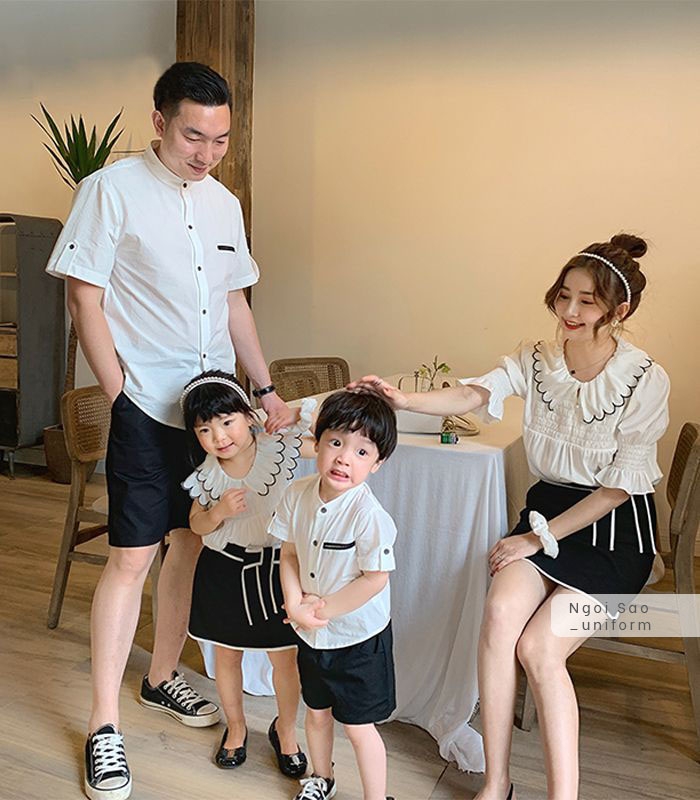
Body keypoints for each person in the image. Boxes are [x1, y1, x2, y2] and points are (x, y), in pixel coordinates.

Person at [45, 62, 294, 800]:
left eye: (220, 139)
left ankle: (159, 678)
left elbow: (235, 305)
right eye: (193, 136)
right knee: (130, 558)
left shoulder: (225, 204)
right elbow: (84, 298)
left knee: (189, 545)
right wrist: (119, 393)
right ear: (159, 122)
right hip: (146, 408)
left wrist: (265, 389)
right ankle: (103, 726)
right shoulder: (109, 190)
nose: (207, 153)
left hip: (212, 415)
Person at [351, 234, 670, 800]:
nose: (570, 311)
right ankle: (496, 782)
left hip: (613, 535)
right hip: (546, 515)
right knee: (499, 617)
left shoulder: (645, 380)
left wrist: (534, 540)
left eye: (587, 301)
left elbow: (618, 490)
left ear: (618, 311)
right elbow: (474, 394)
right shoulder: (537, 359)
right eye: (564, 295)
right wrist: (404, 400)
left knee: (539, 649)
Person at [180, 370, 313, 776]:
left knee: (285, 659)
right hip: (224, 571)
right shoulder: (206, 474)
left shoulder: (279, 448)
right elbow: (196, 525)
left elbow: (327, 441)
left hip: (276, 570)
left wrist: (296, 413)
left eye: (227, 422)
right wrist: (218, 512)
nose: (219, 437)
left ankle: (286, 730)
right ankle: (236, 727)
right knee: (226, 655)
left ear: (249, 416)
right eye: (205, 429)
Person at [271, 390, 399, 800]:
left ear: (377, 463)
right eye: (336, 442)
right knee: (316, 714)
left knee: (359, 728)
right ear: (318, 443)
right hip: (311, 633)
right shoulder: (296, 494)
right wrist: (294, 604)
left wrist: (320, 609)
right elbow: (289, 553)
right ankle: (320, 778)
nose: (344, 458)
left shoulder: (369, 516)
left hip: (358, 639)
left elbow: (374, 579)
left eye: (361, 451)